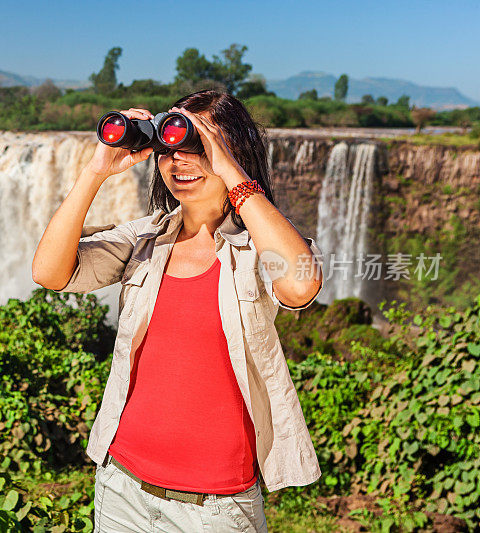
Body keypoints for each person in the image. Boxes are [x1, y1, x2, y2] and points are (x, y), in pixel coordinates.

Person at [32, 89, 324, 532]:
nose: (178, 162)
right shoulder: (144, 240)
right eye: (167, 149)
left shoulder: (259, 246)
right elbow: (49, 272)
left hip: (216, 507)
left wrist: (228, 168)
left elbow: (300, 284)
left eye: (197, 146)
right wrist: (96, 172)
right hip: (121, 488)